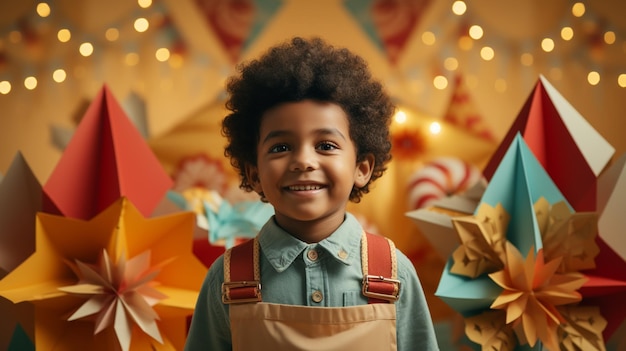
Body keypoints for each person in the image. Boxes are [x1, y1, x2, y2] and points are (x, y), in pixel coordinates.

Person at [184, 37, 439, 351]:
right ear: (254, 174)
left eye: (326, 146)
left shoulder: (395, 273)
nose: (304, 160)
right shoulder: (225, 280)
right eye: (281, 147)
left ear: (362, 168)